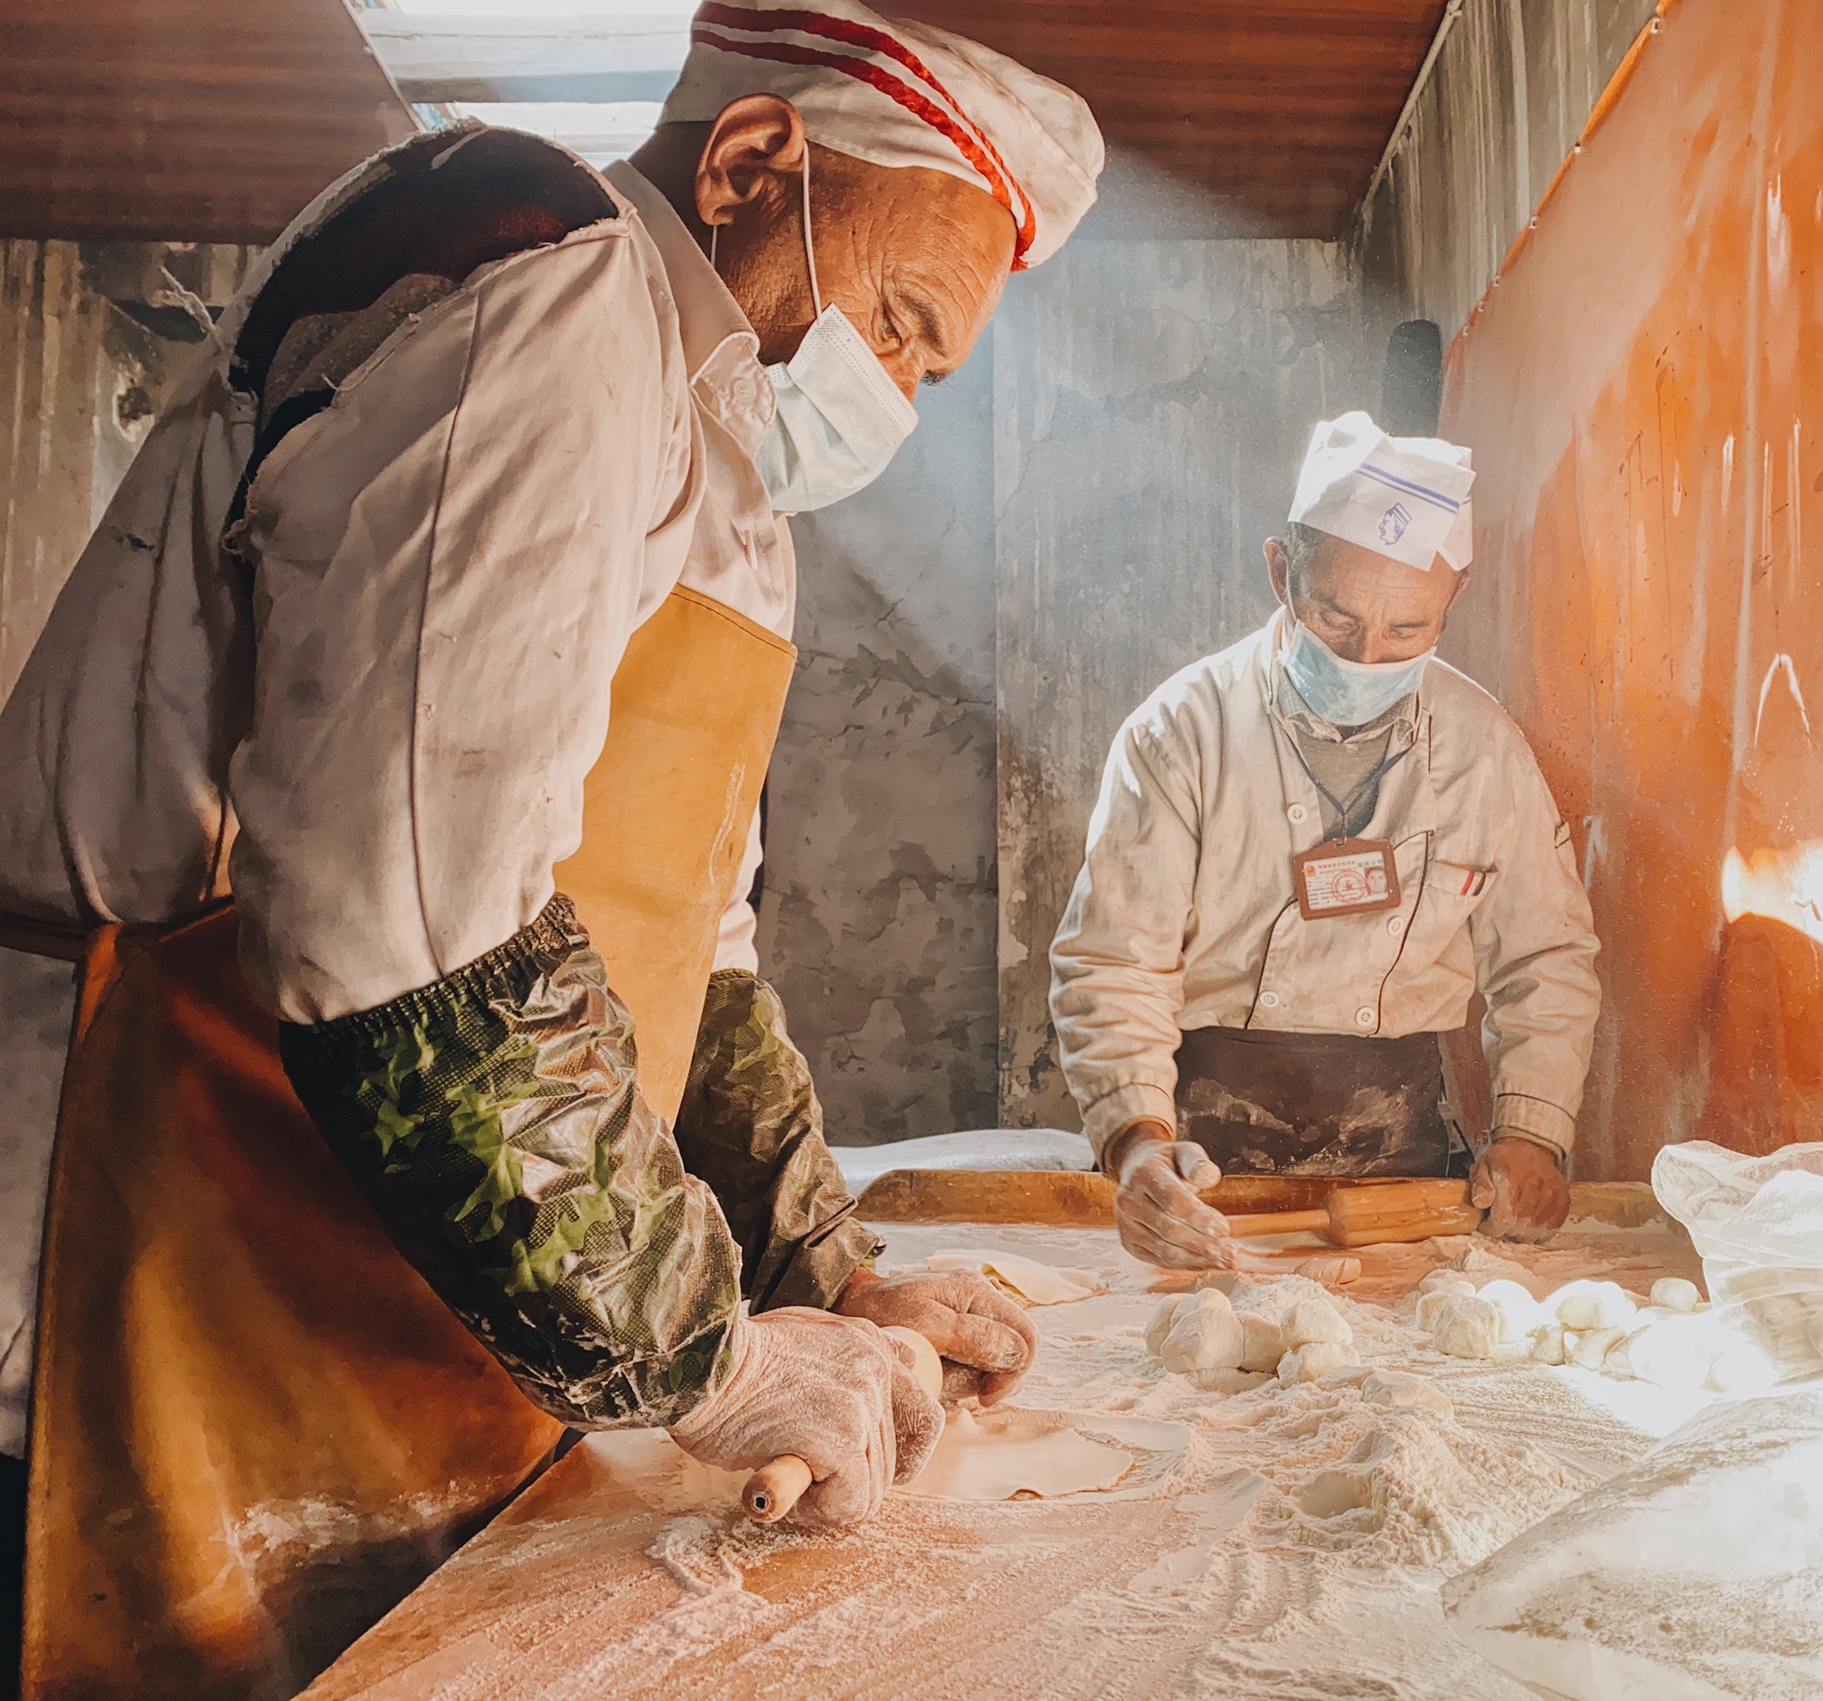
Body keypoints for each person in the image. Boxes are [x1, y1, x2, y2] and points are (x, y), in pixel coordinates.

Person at [0, 3, 1101, 1692]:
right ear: (751, 162)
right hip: (150, 1221)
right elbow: (400, 922)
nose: (889, 400)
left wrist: (829, 1277)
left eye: (926, 374)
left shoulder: (720, 467)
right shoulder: (549, 294)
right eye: (895, 324)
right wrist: (698, 1353)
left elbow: (687, 952)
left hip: (386, 1259)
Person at [1050, 412, 1602, 1272]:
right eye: (1336, 618)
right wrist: (1137, 1143)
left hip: (1407, 1168)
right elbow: (1115, 962)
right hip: (1202, 1163)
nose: (1367, 657)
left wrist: (1535, 1129)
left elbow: (1546, 955)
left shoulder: (1485, 752)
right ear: (1281, 570)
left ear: (1452, 604)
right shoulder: (1180, 734)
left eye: (1407, 632)